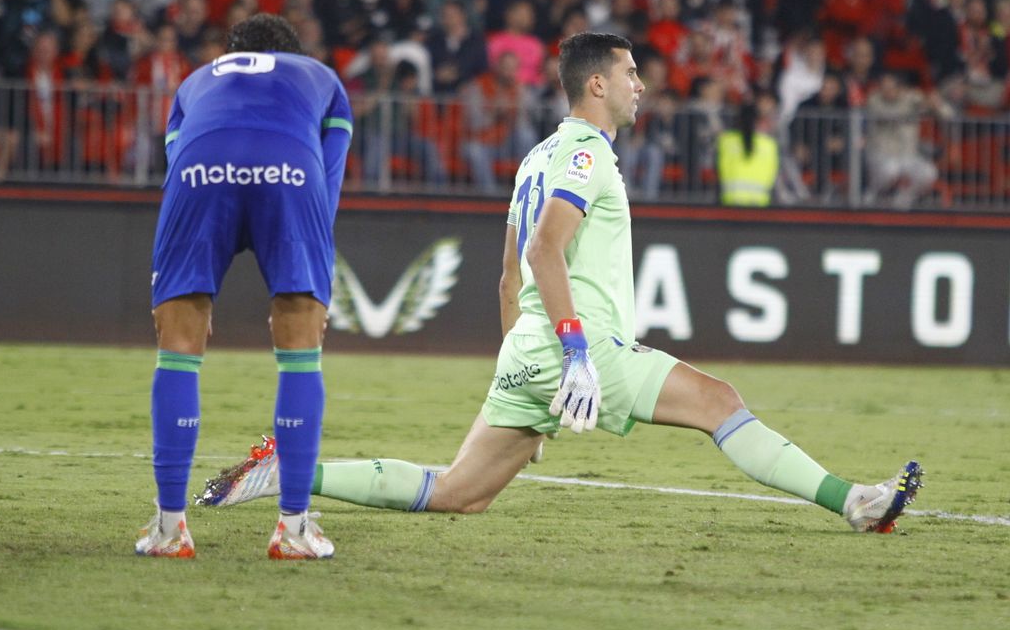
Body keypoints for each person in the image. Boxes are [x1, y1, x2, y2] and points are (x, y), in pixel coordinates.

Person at [196, 32, 923, 532]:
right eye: (632, 74)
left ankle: (290, 471)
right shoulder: (586, 158)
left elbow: (508, 276)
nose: (642, 86)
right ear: (598, 84)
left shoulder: (534, 157)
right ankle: (856, 501)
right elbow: (545, 252)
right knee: (720, 403)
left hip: (530, 350)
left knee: (459, 494)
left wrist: (529, 362)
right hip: (582, 348)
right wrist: (575, 354)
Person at [138, 14, 353, 560]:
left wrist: (188, 292)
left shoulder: (196, 81)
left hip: (200, 175)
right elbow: (327, 181)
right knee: (301, 352)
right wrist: (303, 284)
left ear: (229, 53)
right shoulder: (319, 78)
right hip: (290, 171)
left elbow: (175, 163)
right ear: (293, 52)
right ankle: (294, 530)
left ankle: (169, 530)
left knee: (178, 350)